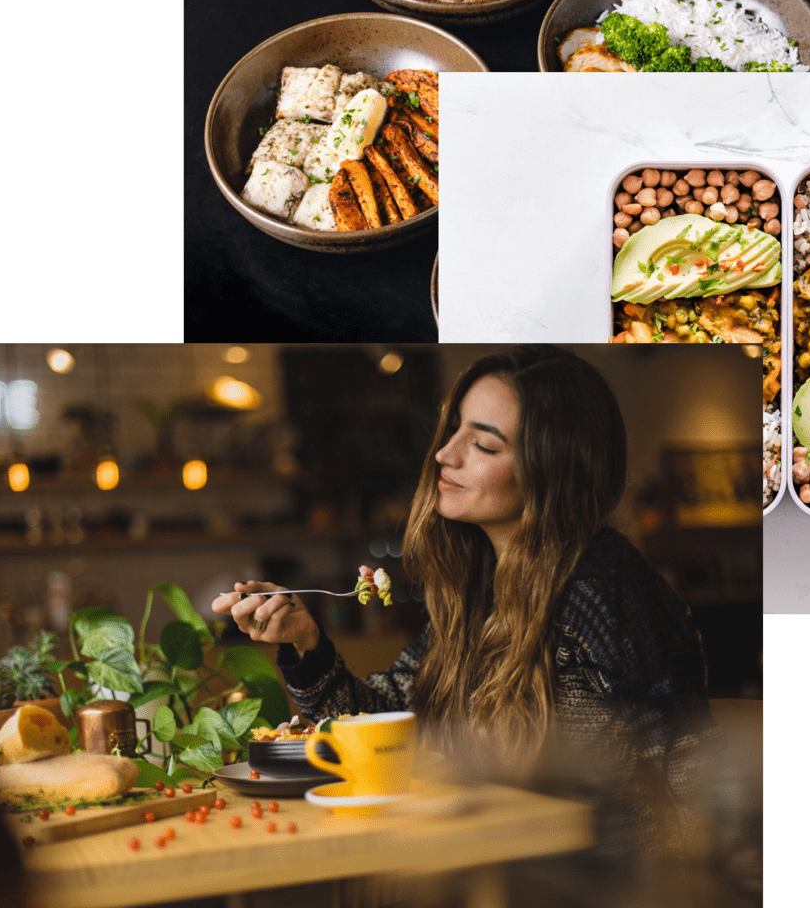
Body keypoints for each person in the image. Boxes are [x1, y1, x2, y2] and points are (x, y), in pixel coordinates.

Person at [212, 345, 713, 840]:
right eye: (455, 430)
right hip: (492, 862)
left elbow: (689, 774)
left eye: (485, 445)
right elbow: (388, 722)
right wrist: (306, 642)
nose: (443, 454)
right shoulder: (481, 588)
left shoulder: (604, 588)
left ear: (552, 471)